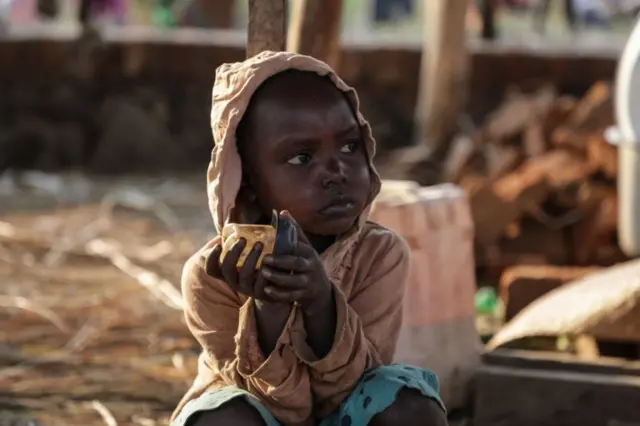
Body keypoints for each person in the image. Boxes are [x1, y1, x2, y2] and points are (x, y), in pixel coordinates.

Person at [171, 51, 448, 426]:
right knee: (223, 418)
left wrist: (321, 302)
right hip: (259, 417)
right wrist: (268, 311)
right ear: (249, 186)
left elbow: (355, 387)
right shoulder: (212, 277)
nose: (337, 171)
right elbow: (282, 410)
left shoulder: (380, 255)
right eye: (302, 157)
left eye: (350, 146)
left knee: (410, 407)